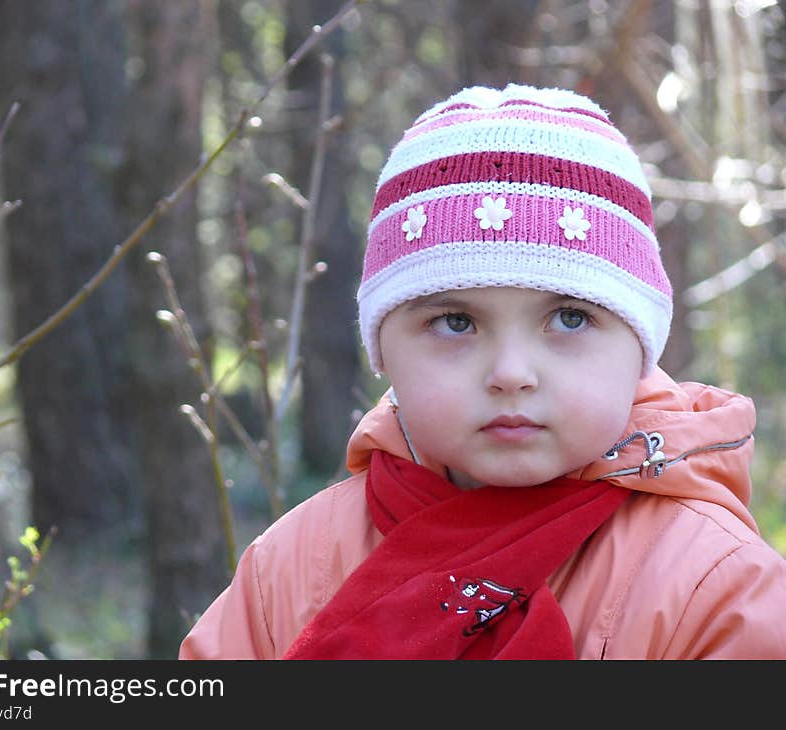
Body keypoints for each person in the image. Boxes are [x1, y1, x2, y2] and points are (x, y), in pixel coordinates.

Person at [179, 84, 786, 659]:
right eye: (456, 323)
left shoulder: (716, 587)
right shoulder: (289, 571)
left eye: (570, 319)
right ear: (384, 352)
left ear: (641, 348)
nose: (511, 373)